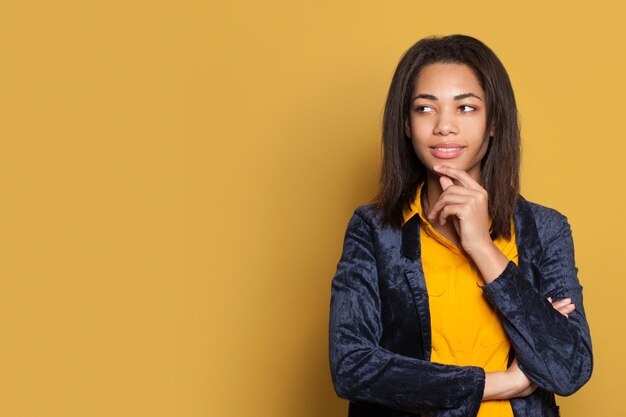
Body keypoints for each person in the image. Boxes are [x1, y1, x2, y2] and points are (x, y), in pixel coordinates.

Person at [328, 35, 593, 417]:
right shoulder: (374, 230)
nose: (445, 127)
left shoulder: (543, 229)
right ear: (405, 123)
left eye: (466, 108)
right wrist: (503, 382)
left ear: (493, 122)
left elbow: (568, 370)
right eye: (425, 108)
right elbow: (352, 367)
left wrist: (483, 247)